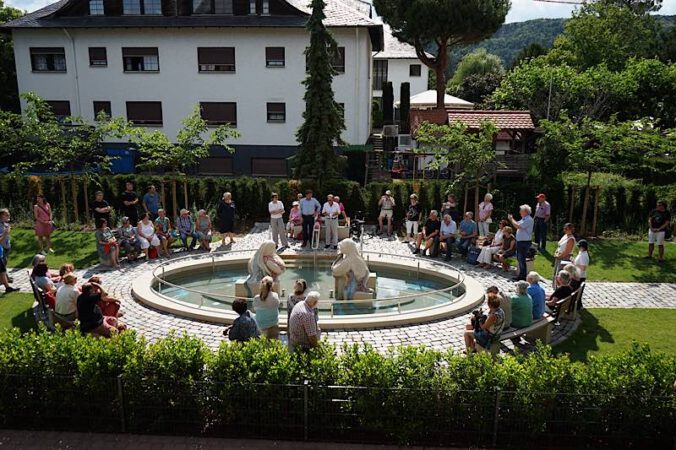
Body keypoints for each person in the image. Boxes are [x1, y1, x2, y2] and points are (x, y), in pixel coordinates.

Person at [508, 204, 534, 281]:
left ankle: (523, 276)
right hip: (520, 242)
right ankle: (521, 275)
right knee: (520, 259)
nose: (519, 212)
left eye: (521, 210)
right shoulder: (523, 219)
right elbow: (517, 224)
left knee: (522, 259)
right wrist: (512, 220)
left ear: (525, 211)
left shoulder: (529, 219)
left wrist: (511, 219)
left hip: (524, 242)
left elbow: (518, 226)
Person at [646, 200, 670, 265]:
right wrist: (651, 228)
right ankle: (649, 256)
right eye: (657, 205)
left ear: (663, 206)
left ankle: (660, 258)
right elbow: (649, 219)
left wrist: (659, 229)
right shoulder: (654, 211)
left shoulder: (667, 213)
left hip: (661, 231)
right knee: (651, 243)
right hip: (652, 230)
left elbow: (666, 223)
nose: (657, 206)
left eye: (659, 205)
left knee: (660, 244)